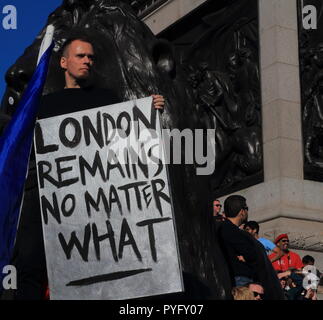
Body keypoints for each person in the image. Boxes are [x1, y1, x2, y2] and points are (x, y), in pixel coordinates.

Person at [9, 34, 165, 300]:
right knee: (30, 266)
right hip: (47, 199)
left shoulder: (108, 100)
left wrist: (145, 113)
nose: (87, 61)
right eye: (81, 56)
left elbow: (125, 142)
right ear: (63, 61)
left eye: (91, 57)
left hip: (94, 203)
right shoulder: (41, 106)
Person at [218, 195, 258, 287]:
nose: (248, 211)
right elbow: (251, 255)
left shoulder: (224, 228)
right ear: (242, 212)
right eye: (246, 208)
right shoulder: (232, 230)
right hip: (241, 279)